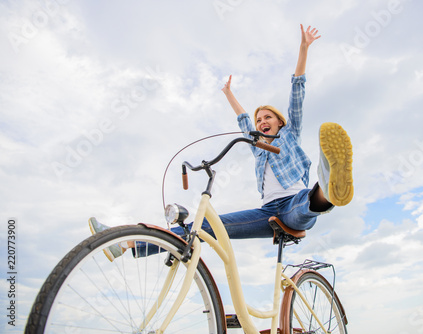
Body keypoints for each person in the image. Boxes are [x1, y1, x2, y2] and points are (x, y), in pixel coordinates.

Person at [89, 24, 353, 261]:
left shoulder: (290, 134)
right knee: (201, 227)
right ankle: (125, 243)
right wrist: (228, 93)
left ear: (280, 122)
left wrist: (303, 48)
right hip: (267, 212)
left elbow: (297, 92)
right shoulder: (258, 147)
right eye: (259, 119)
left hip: (293, 199)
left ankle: (330, 183)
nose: (262, 121)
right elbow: (243, 120)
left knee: (305, 205)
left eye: (268, 117)